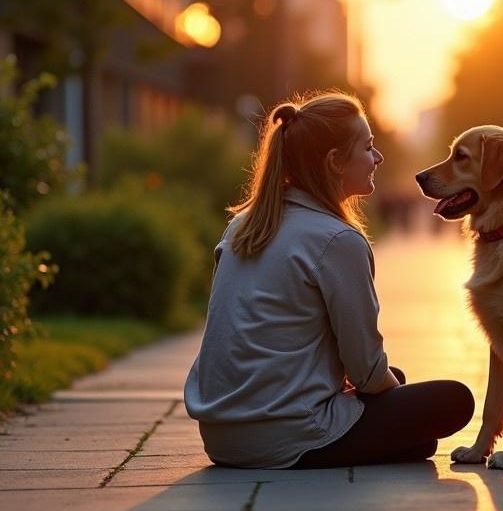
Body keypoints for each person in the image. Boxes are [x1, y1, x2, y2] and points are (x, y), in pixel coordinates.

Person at [184, 93, 474, 469]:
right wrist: (390, 401)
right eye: (368, 147)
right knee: (454, 400)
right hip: (287, 435)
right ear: (335, 162)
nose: (378, 158)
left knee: (397, 386)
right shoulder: (337, 240)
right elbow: (367, 373)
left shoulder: (242, 225)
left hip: (222, 436)